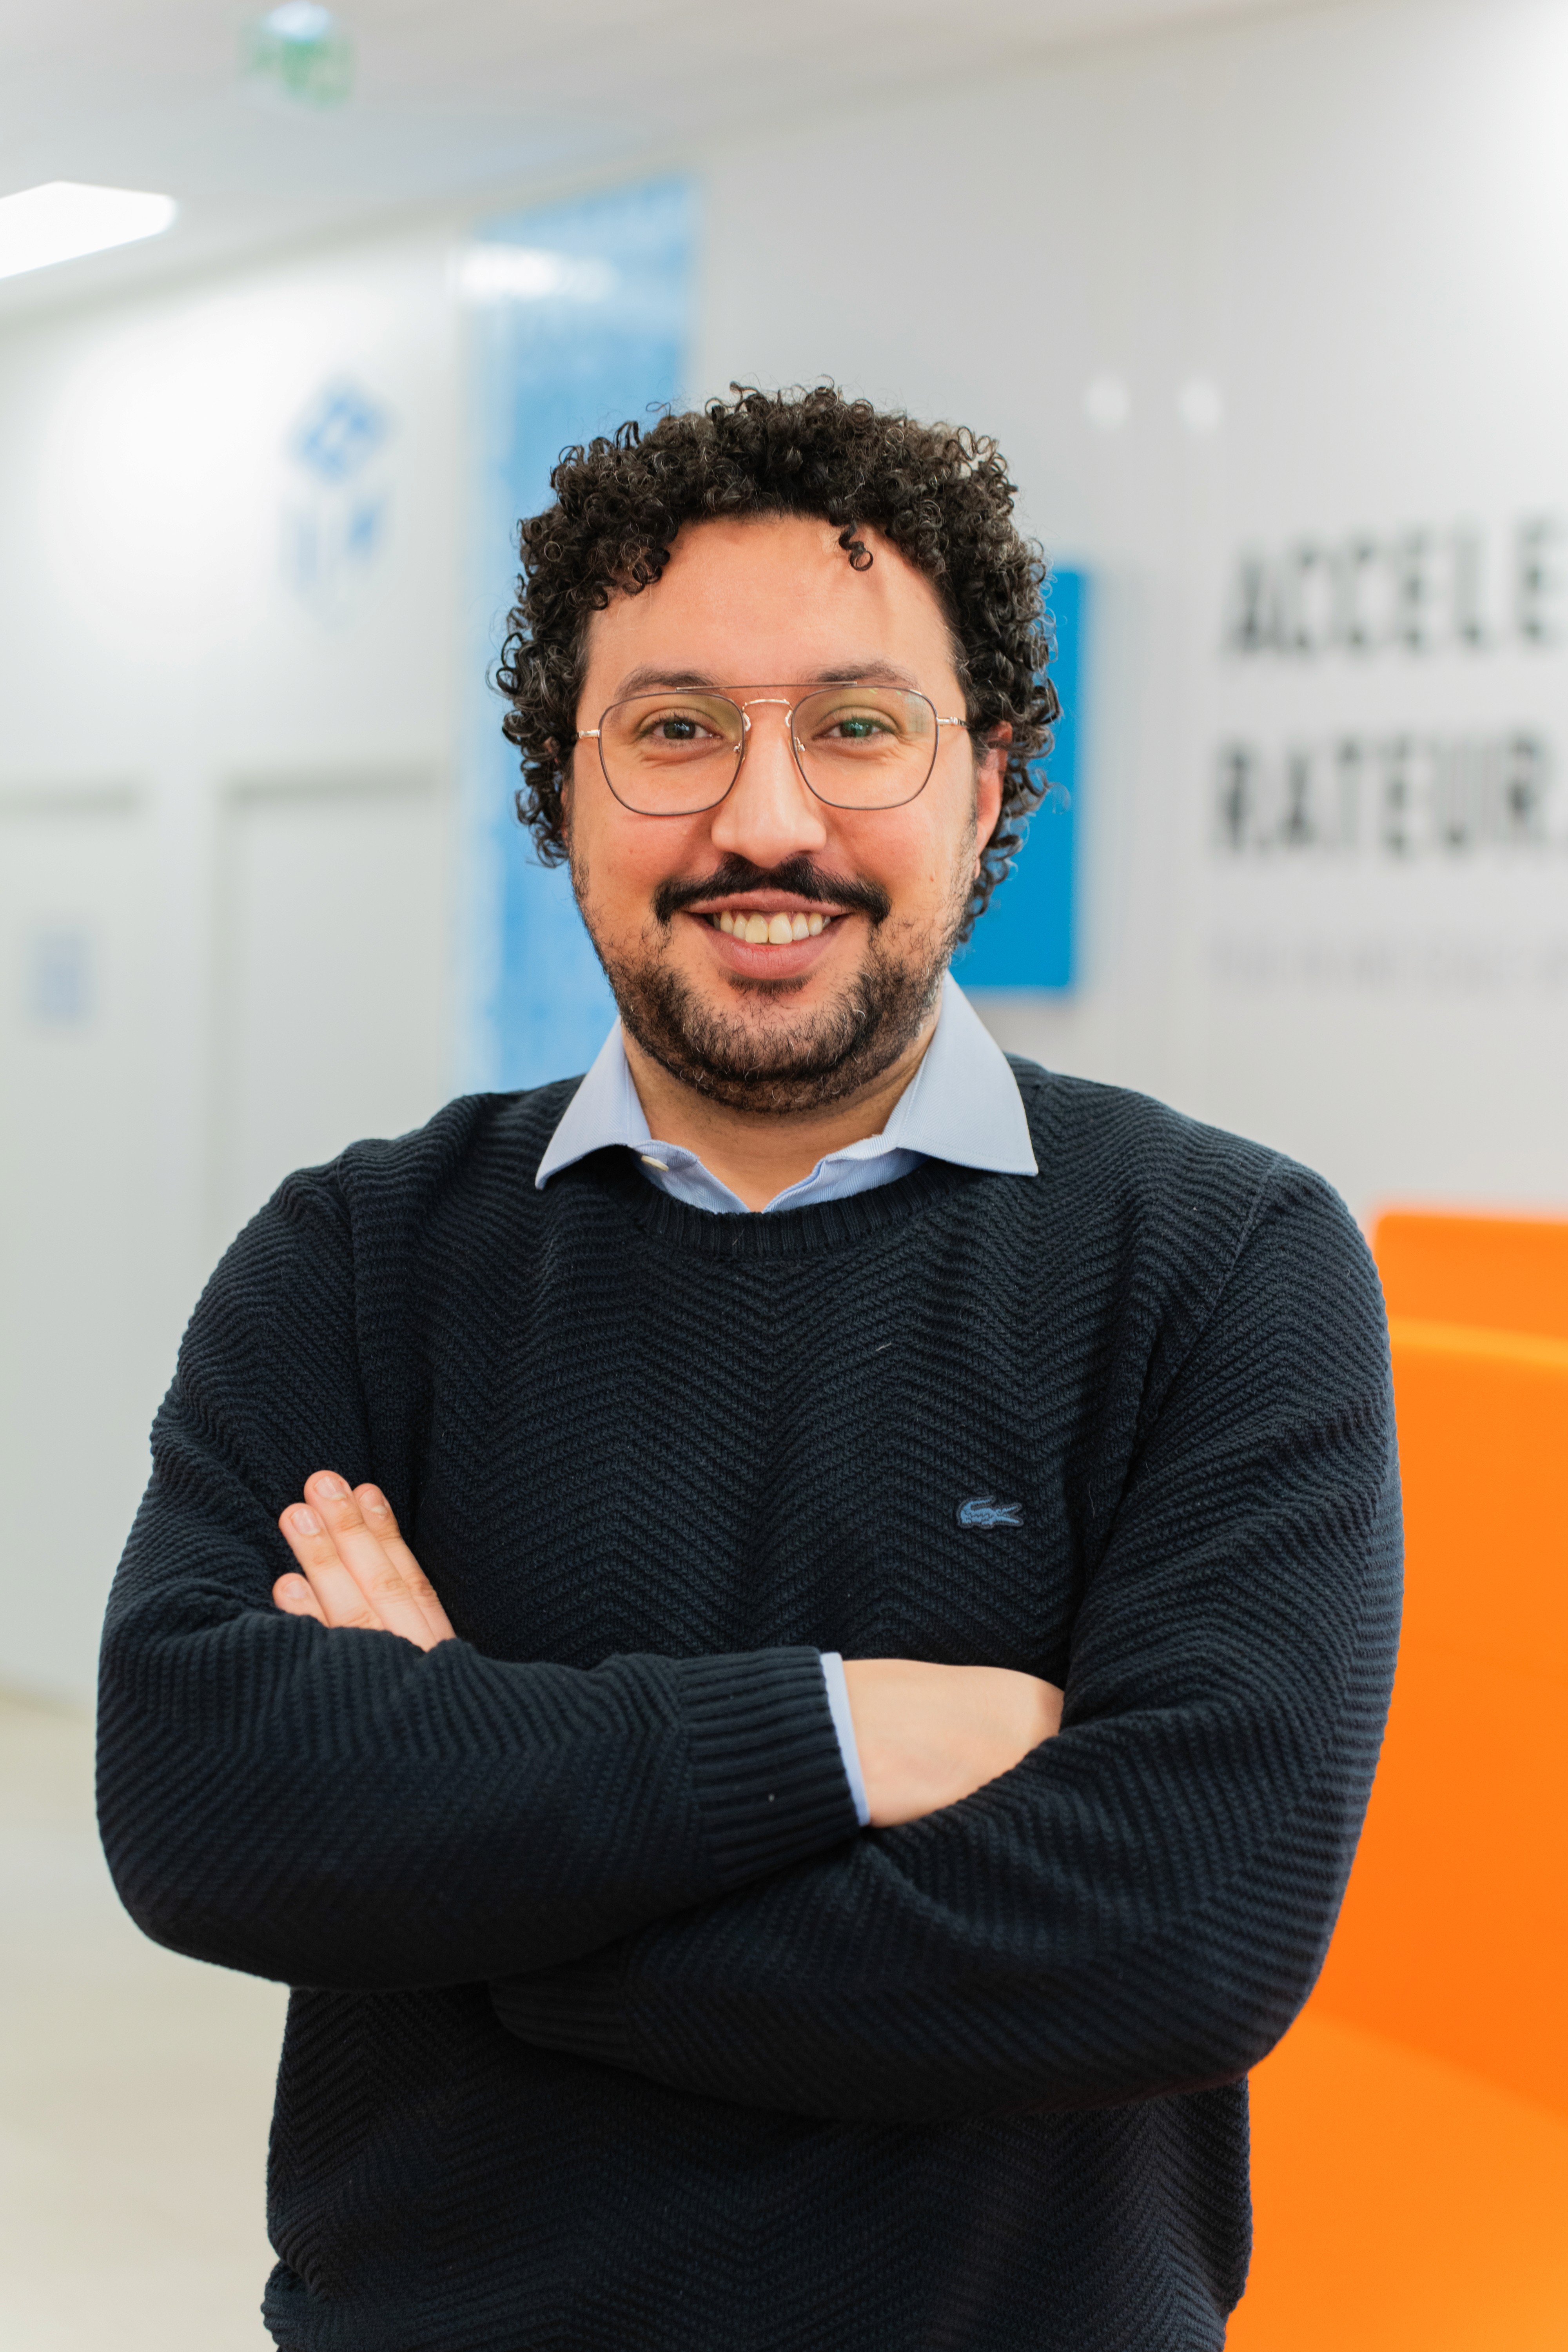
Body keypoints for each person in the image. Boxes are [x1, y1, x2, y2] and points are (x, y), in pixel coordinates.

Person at [98, 386, 1401, 2352]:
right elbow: (205, 1802)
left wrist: (475, 1840)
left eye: (858, 727)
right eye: (674, 729)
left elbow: (1178, 1932)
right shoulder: (359, 1259)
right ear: (562, 791)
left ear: (986, 784)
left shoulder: (1221, 1262)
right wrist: (839, 1740)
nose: (766, 820)